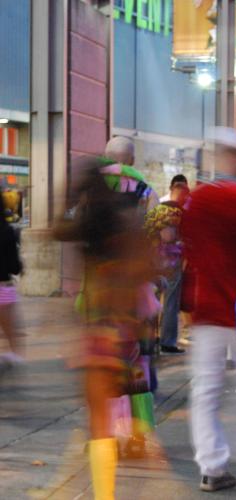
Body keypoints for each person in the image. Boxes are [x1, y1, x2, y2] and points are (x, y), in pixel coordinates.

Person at [54, 158, 157, 500]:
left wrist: (71, 200)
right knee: (134, 389)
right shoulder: (127, 228)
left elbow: (55, 229)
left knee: (99, 423)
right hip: (125, 327)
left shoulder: (86, 228)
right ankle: (139, 434)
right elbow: (148, 269)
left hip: (95, 331)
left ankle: (104, 495)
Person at [181, 127, 236, 492]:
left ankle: (212, 467)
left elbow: (187, 251)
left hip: (207, 309)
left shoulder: (196, 200)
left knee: (205, 391)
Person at [159, 182, 190, 354]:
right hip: (173, 260)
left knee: (153, 298)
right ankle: (167, 341)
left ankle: (151, 338)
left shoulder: (159, 208)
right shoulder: (179, 212)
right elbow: (171, 236)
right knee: (171, 301)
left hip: (155, 258)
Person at [103, 136, 159, 213]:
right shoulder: (146, 190)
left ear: (104, 157)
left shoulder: (90, 181)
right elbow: (154, 219)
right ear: (133, 160)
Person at [0, 190, 23, 365]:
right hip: (4, 286)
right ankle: (15, 354)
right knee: (9, 325)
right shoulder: (7, 231)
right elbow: (14, 266)